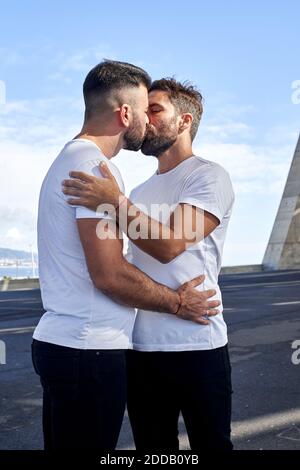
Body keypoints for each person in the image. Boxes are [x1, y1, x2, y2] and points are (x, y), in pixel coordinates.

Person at [32, 62, 220, 451]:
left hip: (80, 345)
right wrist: (177, 302)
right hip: (89, 349)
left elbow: (164, 246)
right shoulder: (95, 169)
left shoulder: (80, 164)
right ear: (124, 114)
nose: (147, 122)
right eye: (143, 109)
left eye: (157, 110)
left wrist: (117, 203)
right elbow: (110, 274)